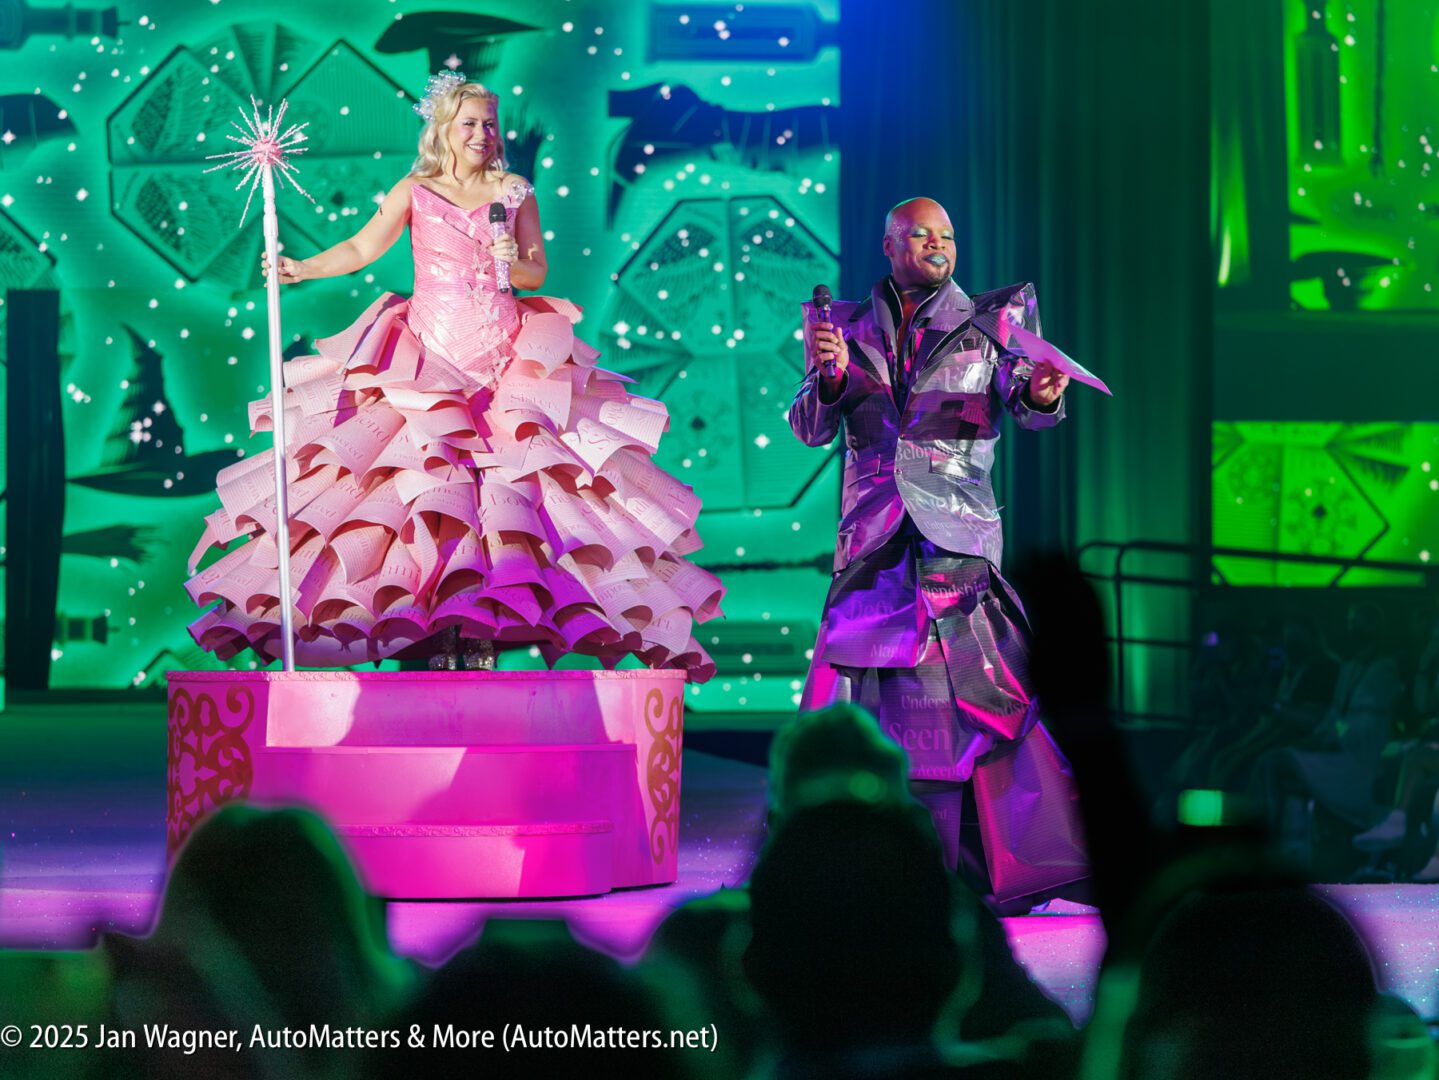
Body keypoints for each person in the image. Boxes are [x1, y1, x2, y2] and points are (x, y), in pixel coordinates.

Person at [184, 74, 723, 675]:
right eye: (469, 122)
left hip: (503, 361)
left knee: (510, 495)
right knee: (417, 490)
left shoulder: (514, 190)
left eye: (489, 123)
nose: (481, 133)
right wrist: (302, 268)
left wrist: (510, 261)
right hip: (427, 360)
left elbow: (536, 274)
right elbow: (363, 249)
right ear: (444, 129)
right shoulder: (415, 190)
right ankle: (427, 629)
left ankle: (486, 627)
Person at [788, 196, 1087, 903]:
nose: (937, 246)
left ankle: (995, 865)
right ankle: (856, 860)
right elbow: (807, 427)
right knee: (869, 702)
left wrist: (1042, 393)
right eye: (920, 235)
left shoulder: (992, 319)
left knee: (978, 697)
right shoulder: (842, 325)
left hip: (956, 536)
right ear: (888, 247)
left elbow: (1024, 400)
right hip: (872, 539)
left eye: (946, 235)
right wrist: (829, 379)